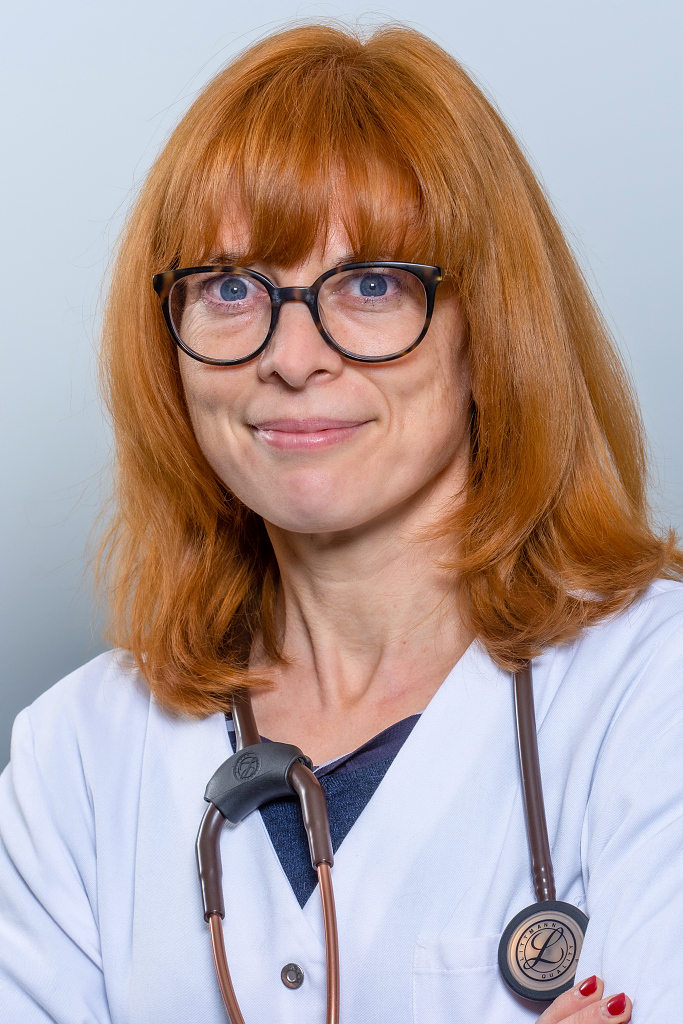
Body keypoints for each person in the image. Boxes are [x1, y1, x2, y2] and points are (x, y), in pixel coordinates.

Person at [1, 21, 682, 1024]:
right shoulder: (77, 755)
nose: (291, 357)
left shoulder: (654, 687)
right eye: (231, 287)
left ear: (489, 328)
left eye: (370, 283)